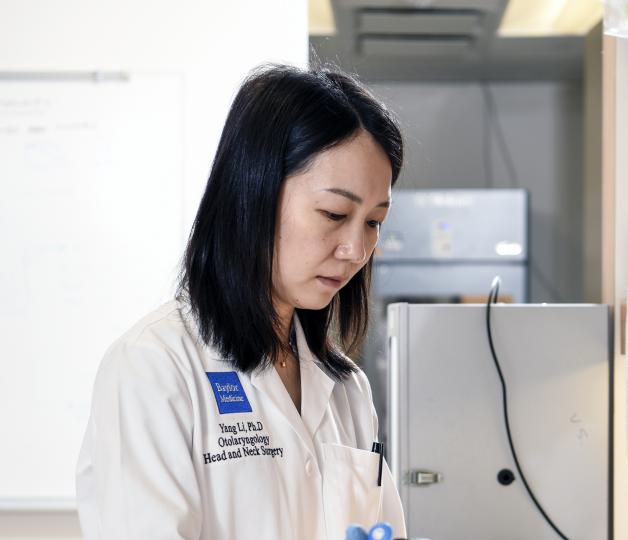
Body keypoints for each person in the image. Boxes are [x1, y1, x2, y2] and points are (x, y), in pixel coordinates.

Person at [75, 64, 406, 539]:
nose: (356, 249)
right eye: (334, 214)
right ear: (252, 196)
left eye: (374, 222)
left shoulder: (346, 388)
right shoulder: (153, 367)